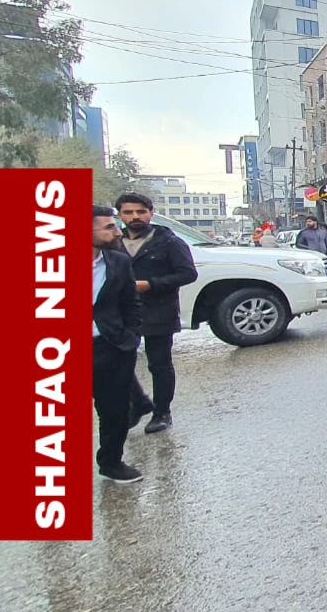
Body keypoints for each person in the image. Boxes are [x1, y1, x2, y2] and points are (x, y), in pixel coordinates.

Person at [117, 192, 198, 435]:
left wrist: (151, 284)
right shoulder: (113, 241)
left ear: (150, 213)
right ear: (120, 215)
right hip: (120, 312)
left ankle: (162, 412)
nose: (135, 216)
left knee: (159, 364)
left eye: (141, 212)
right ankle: (138, 403)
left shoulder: (168, 241)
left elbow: (188, 273)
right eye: (128, 212)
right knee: (118, 362)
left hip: (158, 310)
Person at [91, 205, 145, 483]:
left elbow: (130, 303)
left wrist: (130, 337)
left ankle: (111, 462)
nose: (117, 232)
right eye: (109, 227)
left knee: (115, 411)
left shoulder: (118, 262)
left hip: (110, 346)